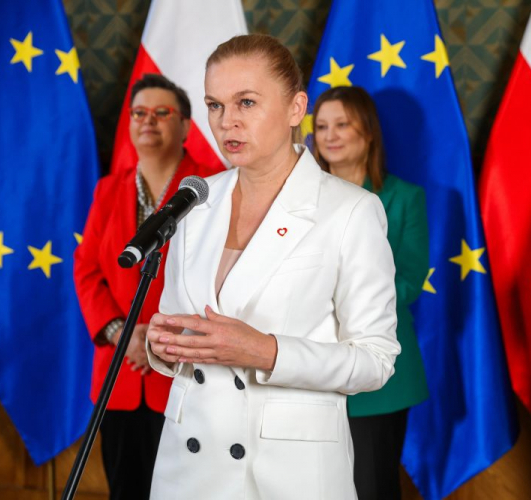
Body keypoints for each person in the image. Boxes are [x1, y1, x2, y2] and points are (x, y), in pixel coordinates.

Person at [144, 34, 400, 500]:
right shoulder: (193, 202)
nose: (227, 122)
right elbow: (179, 330)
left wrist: (266, 351)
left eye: (246, 102)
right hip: (187, 469)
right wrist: (161, 345)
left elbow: (376, 361)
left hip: (288, 474)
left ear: (295, 108)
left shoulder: (350, 211)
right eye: (214, 105)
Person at [74, 73, 221, 499]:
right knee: (125, 490)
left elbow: (223, 277)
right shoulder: (107, 191)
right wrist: (123, 334)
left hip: (185, 374)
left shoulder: (213, 188)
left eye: (162, 113)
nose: (148, 121)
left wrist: (161, 338)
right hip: (120, 374)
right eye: (139, 113)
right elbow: (86, 270)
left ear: (186, 126)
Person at [312, 86, 429, 500]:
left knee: (373, 488)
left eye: (342, 124)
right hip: (308, 370)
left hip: (380, 374)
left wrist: (325, 301)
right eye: (322, 126)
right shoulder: (298, 201)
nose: (330, 135)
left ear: (368, 131)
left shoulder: (404, 198)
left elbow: (409, 282)